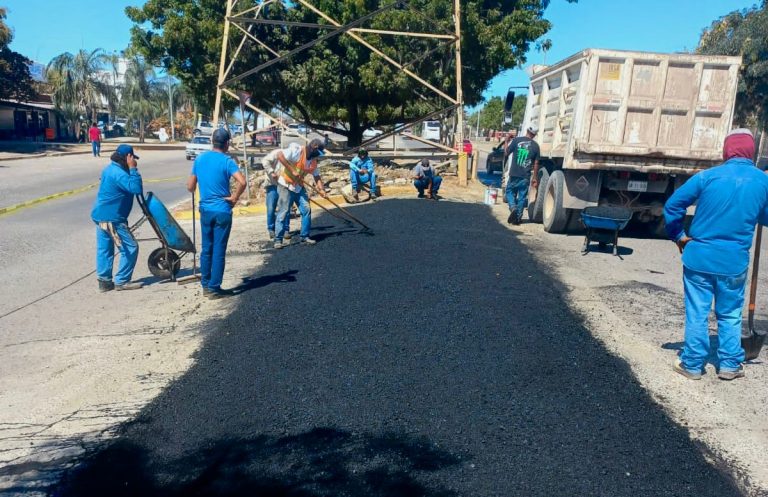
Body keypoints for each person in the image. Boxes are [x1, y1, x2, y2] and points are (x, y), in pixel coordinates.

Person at [664, 129, 768, 381]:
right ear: (751, 152)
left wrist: (679, 235)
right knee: (730, 313)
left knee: (697, 312)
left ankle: (691, 364)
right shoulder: (761, 181)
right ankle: (730, 364)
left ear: (727, 150)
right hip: (733, 263)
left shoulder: (707, 177)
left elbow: (672, 205)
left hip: (698, 258)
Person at [187, 128, 247, 299]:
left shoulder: (200, 159)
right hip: (222, 210)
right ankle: (214, 287)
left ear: (212, 141)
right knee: (219, 250)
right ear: (227, 143)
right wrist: (234, 197)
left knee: (207, 249)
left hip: (205, 210)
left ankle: (205, 285)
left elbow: (190, 186)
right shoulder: (227, 161)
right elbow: (242, 182)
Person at [91, 144, 144, 292]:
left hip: (101, 215)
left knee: (105, 249)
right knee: (130, 247)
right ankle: (122, 280)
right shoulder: (119, 173)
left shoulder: (110, 169)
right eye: (132, 158)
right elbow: (136, 188)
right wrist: (133, 168)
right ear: (128, 158)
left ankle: (104, 282)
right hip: (112, 218)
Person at [273, 138, 327, 249]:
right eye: (318, 152)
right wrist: (292, 170)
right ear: (314, 147)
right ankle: (278, 239)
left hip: (299, 187)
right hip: (286, 185)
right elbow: (279, 155)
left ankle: (305, 236)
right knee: (283, 212)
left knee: (306, 209)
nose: (318, 155)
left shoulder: (313, 160)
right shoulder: (297, 150)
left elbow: (316, 176)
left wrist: (321, 190)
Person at [504, 126, 540, 224]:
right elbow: (536, 163)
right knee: (522, 197)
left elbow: (506, 153)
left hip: (514, 173)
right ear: (535, 134)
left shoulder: (516, 141)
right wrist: (535, 177)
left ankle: (513, 207)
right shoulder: (536, 146)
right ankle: (518, 218)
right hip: (525, 176)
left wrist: (506, 141)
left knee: (509, 191)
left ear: (527, 131)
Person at [261, 147, 291, 240]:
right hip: (272, 184)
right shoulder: (276, 153)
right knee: (271, 208)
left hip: (284, 184)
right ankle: (271, 229)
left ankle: (286, 230)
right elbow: (264, 161)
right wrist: (271, 172)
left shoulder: (290, 157)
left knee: (285, 208)